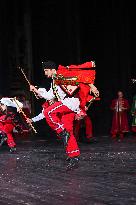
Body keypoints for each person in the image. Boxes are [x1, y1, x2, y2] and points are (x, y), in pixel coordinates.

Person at [28, 60, 99, 169]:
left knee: (48, 112)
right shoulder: (54, 81)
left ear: (53, 70)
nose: (45, 73)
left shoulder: (61, 75)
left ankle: (62, 131)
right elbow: (48, 96)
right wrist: (36, 90)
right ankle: (74, 155)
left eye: (46, 70)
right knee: (69, 129)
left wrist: (92, 86)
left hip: (70, 102)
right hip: (68, 106)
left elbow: (79, 76)